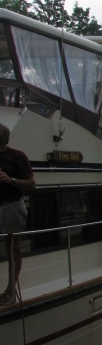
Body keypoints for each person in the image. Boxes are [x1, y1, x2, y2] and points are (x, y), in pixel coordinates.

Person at [0, 123, 35, 305]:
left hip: (12, 206)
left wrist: (10, 180)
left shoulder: (17, 156)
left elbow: (31, 184)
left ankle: (10, 291)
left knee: (13, 249)